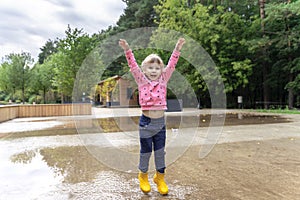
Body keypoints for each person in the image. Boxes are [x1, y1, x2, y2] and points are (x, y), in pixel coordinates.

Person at [119, 38, 185, 195]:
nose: (154, 70)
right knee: (146, 151)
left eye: (157, 67)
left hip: (160, 123)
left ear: (161, 70)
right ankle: (143, 176)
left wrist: (177, 48)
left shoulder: (163, 80)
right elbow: (133, 66)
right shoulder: (141, 81)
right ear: (145, 70)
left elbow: (172, 65)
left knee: (160, 152)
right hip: (146, 123)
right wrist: (127, 49)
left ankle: (160, 177)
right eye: (150, 67)